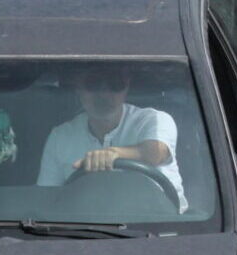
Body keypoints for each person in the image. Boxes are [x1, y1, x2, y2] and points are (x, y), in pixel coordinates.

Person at [37, 65, 186, 212]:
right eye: (93, 84)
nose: (104, 94)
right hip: (84, 229)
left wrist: (113, 154)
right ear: (78, 87)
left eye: (115, 84)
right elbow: (46, 201)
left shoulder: (154, 119)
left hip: (164, 227)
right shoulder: (61, 136)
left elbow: (155, 152)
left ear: (126, 87)